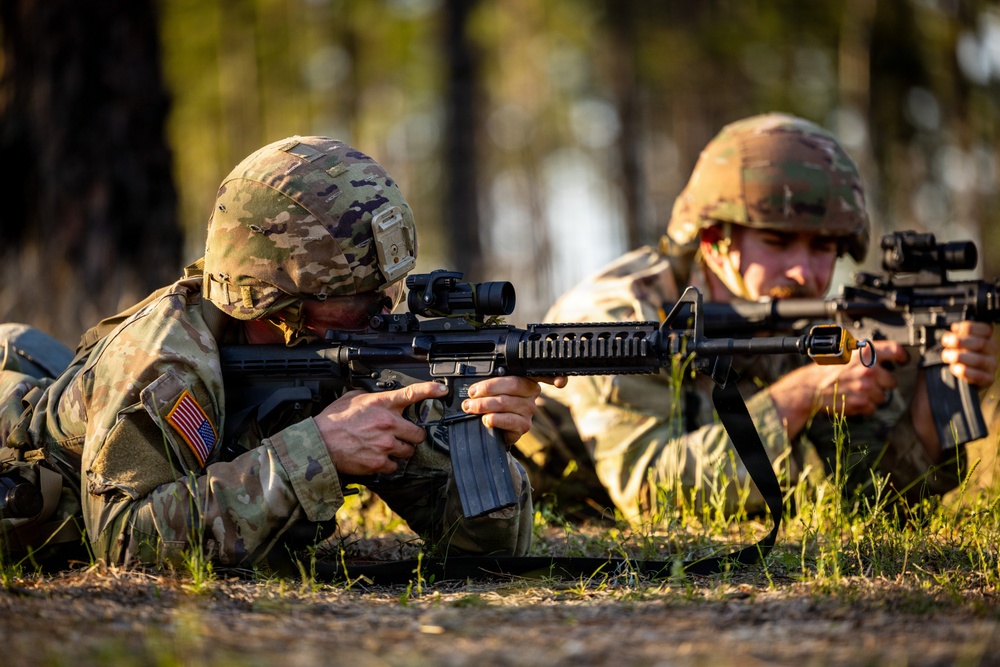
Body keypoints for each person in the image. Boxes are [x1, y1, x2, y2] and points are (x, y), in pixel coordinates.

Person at [0, 136, 560, 569]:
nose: (385, 308)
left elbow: (489, 550)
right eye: (358, 296)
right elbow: (123, 542)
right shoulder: (164, 362)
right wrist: (317, 451)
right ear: (271, 300)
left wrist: (481, 442)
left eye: (386, 289)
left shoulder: (350, 357)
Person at [516, 113, 998, 522]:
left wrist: (945, 386)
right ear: (714, 242)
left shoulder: (816, 324)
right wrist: (799, 396)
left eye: (824, 247)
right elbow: (650, 494)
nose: (804, 270)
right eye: (778, 241)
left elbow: (881, 501)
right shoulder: (623, 315)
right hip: (533, 501)